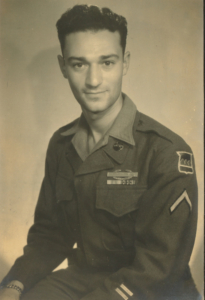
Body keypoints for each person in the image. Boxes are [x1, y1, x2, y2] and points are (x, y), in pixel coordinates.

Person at [0, 4, 200, 300]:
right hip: (84, 279)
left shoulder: (166, 152)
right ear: (63, 67)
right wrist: (14, 284)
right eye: (79, 64)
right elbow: (50, 235)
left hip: (153, 289)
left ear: (125, 63)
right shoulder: (61, 145)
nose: (93, 81)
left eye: (106, 62)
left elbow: (159, 267)